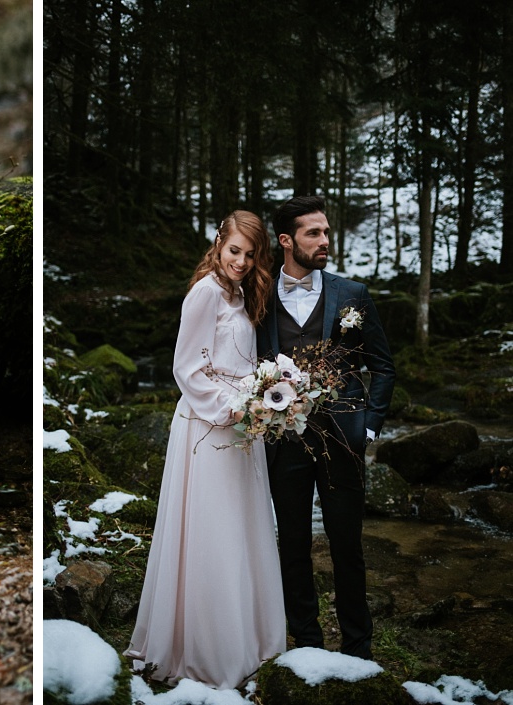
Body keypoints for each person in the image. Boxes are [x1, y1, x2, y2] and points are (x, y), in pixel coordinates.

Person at [125, 211, 286, 689]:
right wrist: (233, 406)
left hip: (241, 428)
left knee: (241, 529)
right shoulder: (206, 292)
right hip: (209, 425)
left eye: (249, 254)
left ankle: (248, 639)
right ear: (219, 243)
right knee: (211, 530)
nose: (239, 261)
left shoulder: (240, 292)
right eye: (233, 250)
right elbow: (186, 369)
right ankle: (206, 649)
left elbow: (239, 359)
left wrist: (263, 395)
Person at [258, 195, 395, 661]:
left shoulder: (352, 294)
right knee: (292, 543)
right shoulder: (258, 297)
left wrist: (370, 427)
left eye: (327, 232)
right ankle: (308, 645)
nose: (325, 241)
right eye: (313, 233)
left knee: (346, 545)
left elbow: (382, 366)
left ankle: (359, 648)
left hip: (344, 439)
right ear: (285, 240)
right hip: (284, 440)